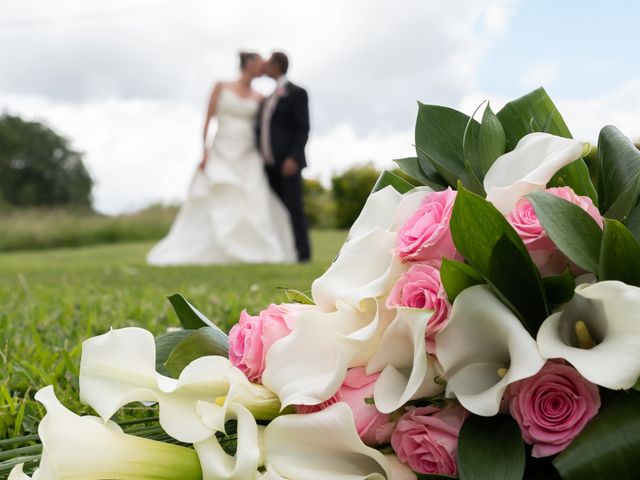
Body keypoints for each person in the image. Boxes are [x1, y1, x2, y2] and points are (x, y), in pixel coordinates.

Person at [147, 51, 296, 265]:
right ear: (248, 64)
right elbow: (208, 120)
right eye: (258, 63)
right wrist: (204, 151)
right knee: (217, 195)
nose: (262, 67)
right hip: (221, 151)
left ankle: (254, 249)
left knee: (254, 200)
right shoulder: (221, 86)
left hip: (248, 154)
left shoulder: (260, 97)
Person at [258, 51, 311, 263]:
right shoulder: (269, 97)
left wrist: (293, 157)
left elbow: (303, 128)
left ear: (278, 65)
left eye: (268, 63)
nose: (265, 67)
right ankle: (283, 252)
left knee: (294, 209)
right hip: (269, 164)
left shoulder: (297, 92)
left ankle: (303, 254)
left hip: (288, 163)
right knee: (276, 210)